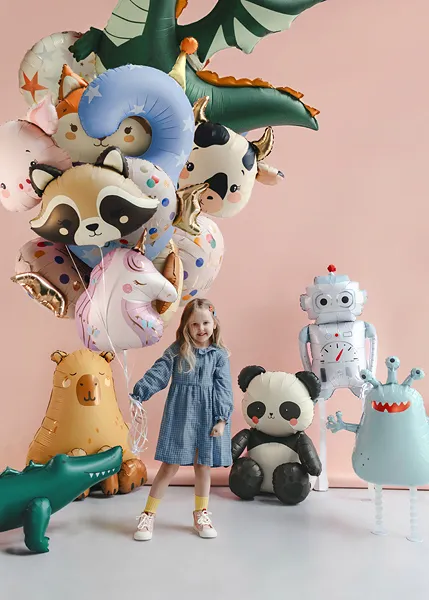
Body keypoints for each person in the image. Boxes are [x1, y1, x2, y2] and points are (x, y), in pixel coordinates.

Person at [130, 298, 234, 541]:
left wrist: (221, 419)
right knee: (170, 465)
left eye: (205, 323)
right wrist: (140, 392)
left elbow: (224, 388)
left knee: (203, 465)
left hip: (208, 414)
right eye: (195, 324)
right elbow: (159, 371)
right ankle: (148, 514)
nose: (201, 329)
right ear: (186, 326)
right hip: (181, 412)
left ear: (214, 324)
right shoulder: (177, 350)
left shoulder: (219, 355)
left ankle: (201, 513)